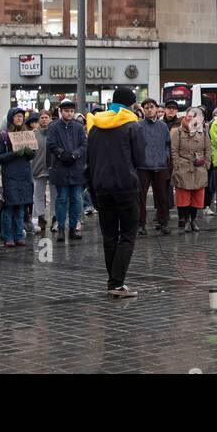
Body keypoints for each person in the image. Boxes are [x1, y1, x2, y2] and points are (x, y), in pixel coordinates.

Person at [86, 86, 141, 297]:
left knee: (109, 236)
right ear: (129, 103)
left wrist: (93, 187)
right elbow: (140, 157)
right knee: (127, 235)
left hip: (101, 188)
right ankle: (117, 283)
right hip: (126, 187)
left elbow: (89, 161)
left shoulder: (95, 125)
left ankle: (113, 282)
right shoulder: (131, 125)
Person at [0, 108, 35, 248]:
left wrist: (30, 153)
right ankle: (8, 236)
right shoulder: (3, 137)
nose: (20, 119)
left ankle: (19, 235)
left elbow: (32, 154)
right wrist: (13, 154)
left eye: (21, 116)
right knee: (9, 207)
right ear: (11, 118)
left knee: (21, 207)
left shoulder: (27, 134)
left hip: (24, 175)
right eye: (17, 116)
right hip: (10, 176)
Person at [47, 99, 87, 242]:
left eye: (71, 111)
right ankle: (61, 230)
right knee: (62, 199)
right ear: (61, 111)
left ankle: (73, 229)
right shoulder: (53, 127)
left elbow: (84, 144)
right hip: (61, 168)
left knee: (77, 200)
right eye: (66, 111)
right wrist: (61, 153)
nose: (69, 114)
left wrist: (75, 154)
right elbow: (51, 144)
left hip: (76, 169)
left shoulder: (78, 127)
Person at [133, 98, 173, 235]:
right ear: (143, 110)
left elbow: (168, 144)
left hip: (160, 166)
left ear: (156, 109)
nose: (150, 110)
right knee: (141, 197)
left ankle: (163, 223)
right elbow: (135, 146)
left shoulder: (163, 127)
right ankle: (141, 224)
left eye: (152, 107)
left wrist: (165, 157)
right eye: (147, 107)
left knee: (162, 196)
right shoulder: (138, 126)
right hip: (143, 166)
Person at [170, 107, 210, 233]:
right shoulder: (178, 132)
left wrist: (207, 164)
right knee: (183, 196)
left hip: (199, 168)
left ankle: (193, 220)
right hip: (183, 168)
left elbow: (208, 149)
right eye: (190, 116)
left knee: (197, 196)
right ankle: (185, 219)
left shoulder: (203, 131)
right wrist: (177, 165)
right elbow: (174, 150)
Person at [28, 111, 51, 236]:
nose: (44, 120)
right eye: (41, 118)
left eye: (46, 117)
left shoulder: (55, 132)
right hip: (38, 168)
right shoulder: (33, 134)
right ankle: (41, 217)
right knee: (38, 195)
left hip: (53, 169)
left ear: (50, 119)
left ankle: (54, 217)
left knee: (55, 195)